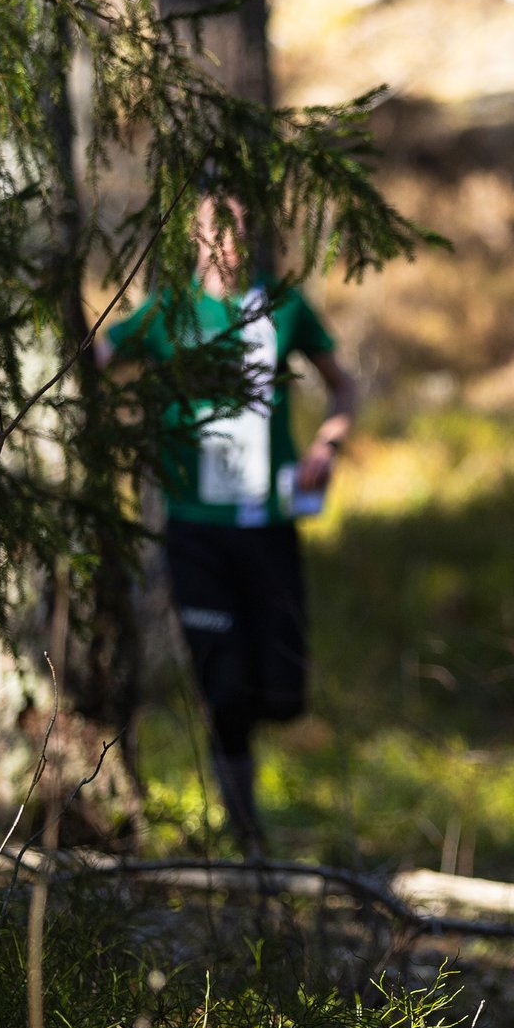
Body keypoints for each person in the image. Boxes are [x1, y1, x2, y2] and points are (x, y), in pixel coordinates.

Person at [100, 193, 358, 857]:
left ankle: (250, 819)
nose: (227, 244)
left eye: (237, 230)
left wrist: (327, 445)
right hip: (195, 532)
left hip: (269, 527)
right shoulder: (168, 312)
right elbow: (94, 357)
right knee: (227, 690)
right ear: (192, 238)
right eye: (214, 232)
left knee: (284, 692)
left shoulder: (284, 308)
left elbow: (343, 386)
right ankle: (246, 836)